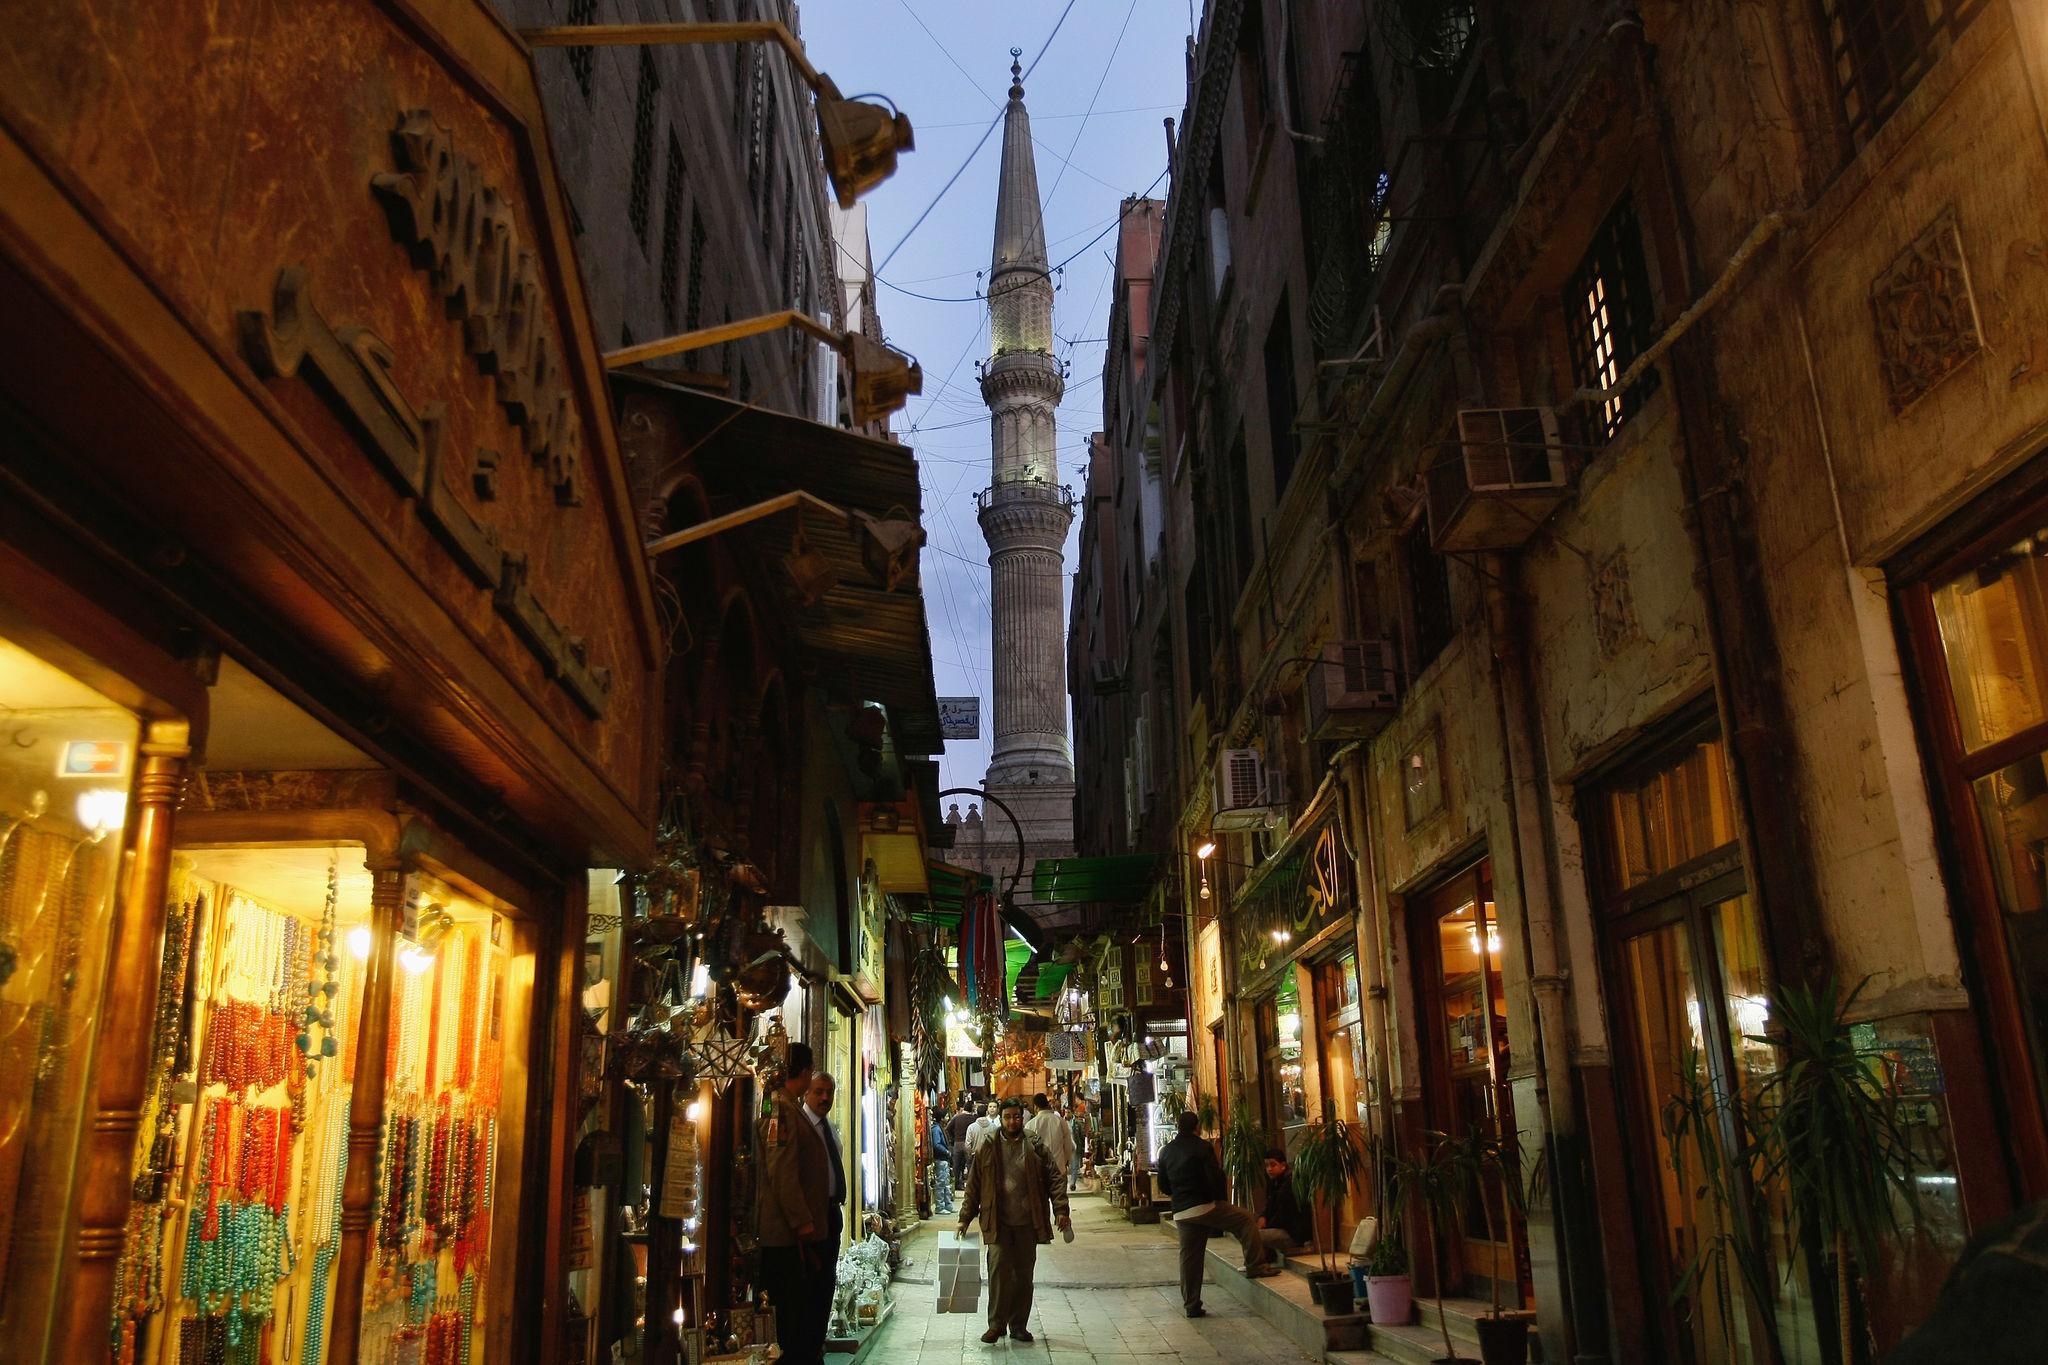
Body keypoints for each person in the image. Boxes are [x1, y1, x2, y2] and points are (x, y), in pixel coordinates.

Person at [958, 1096, 1072, 1344]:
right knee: (999, 1273)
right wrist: (964, 1217)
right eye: (1008, 1117)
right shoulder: (988, 1145)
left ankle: (1018, 1325)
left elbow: (1054, 1177)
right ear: (1001, 1118)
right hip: (998, 1221)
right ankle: (996, 1325)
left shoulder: (1033, 1145)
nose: (1012, 1121)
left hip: (1027, 1222)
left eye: (1017, 1117)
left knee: (1023, 1275)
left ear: (1023, 1118)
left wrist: (1061, 1209)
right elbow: (973, 1185)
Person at [1154, 1112, 1278, 1319]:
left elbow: (1163, 1184)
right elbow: (1215, 1177)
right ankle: (1255, 1265)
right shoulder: (1203, 1147)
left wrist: (1178, 1196)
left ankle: (1191, 1305)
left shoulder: (1166, 1151)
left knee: (1189, 1258)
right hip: (1204, 1205)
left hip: (1182, 1212)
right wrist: (1218, 1200)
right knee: (1246, 1219)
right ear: (1197, 1127)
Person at [755, 1042, 832, 1365]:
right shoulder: (783, 1110)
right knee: (791, 1317)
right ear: (803, 1073)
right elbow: (783, 1173)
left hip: (792, 1236)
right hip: (786, 1238)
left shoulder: (787, 1107)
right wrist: (803, 1224)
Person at [804, 1071, 848, 1342]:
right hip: (813, 1216)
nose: (825, 1097)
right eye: (819, 1091)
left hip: (831, 1214)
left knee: (826, 1282)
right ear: (806, 1093)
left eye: (829, 1093)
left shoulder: (828, 1127)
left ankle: (817, 1341)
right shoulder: (803, 1126)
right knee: (812, 1282)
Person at [1256, 1146, 1313, 1261]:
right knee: (1248, 1222)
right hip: (1283, 1227)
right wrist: (1263, 1217)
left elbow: (1284, 1216)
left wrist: (1266, 1225)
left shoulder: (1289, 1184)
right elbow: (1270, 1206)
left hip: (1293, 1234)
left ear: (1283, 1165)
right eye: (1267, 1165)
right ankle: (1267, 1256)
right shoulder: (1275, 1182)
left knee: (1254, 1235)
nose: (1269, 1169)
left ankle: (1256, 1263)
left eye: (1273, 1165)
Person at [1026, 1092, 1074, 1183]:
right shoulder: (1060, 1121)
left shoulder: (1030, 1125)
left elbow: (1028, 1151)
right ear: (1047, 1104)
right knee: (1059, 1197)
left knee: (1041, 1197)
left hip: (1039, 1171)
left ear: (1035, 1107)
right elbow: (1068, 1146)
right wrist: (1064, 1162)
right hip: (1059, 1168)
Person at [946, 1093, 977, 1184]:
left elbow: (948, 1128)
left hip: (957, 1143)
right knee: (969, 1164)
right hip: (968, 1144)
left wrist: (953, 1137)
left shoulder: (957, 1117)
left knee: (957, 1165)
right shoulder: (973, 1119)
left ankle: (955, 1183)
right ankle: (970, 1183)